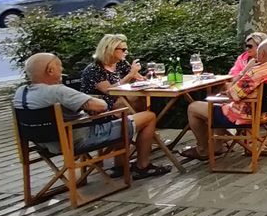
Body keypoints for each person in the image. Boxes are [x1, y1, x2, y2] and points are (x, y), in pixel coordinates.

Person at [18, 52, 170, 179]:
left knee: (119, 118)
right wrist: (90, 104)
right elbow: (101, 106)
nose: (62, 70)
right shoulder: (58, 91)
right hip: (78, 139)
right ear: (50, 70)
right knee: (147, 117)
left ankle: (121, 166)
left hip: (44, 143)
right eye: (60, 67)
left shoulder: (20, 93)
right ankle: (142, 166)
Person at [182, 39, 267, 160]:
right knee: (216, 107)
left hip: (245, 116)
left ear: (263, 54)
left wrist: (245, 71)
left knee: (194, 107)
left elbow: (233, 94)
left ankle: (203, 150)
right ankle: (217, 145)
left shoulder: (256, 72)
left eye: (258, 53)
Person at [80, 34, 145, 111]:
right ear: (110, 49)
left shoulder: (121, 63)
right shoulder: (94, 69)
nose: (127, 52)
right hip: (103, 108)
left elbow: (140, 79)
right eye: (123, 49)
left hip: (121, 98)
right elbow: (109, 91)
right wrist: (130, 75)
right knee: (138, 103)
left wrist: (149, 76)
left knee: (145, 99)